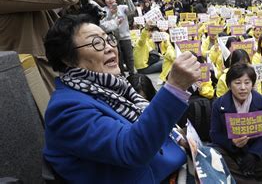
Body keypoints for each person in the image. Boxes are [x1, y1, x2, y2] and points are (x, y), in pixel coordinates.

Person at [43, 14, 201, 183]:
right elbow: (132, 149)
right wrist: (174, 88)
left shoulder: (113, 86)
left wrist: (177, 138)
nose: (110, 48)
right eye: (96, 43)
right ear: (67, 59)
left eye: (109, 39)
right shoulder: (66, 109)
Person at [210, 63, 262, 184]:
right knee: (213, 155)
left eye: (247, 82)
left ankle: (237, 174)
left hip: (253, 146)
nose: (243, 87)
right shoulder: (219, 104)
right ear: (229, 85)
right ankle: (248, 178)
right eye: (238, 82)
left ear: (252, 84)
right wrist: (232, 143)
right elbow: (215, 134)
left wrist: (254, 154)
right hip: (230, 150)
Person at [101, 0, 136, 75]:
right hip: (112, 38)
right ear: (104, 1)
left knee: (129, 57)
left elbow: (132, 10)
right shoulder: (103, 10)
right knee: (118, 57)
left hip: (125, 36)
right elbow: (102, 22)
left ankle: (132, 73)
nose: (110, 0)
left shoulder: (122, 7)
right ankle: (121, 74)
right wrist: (110, 13)